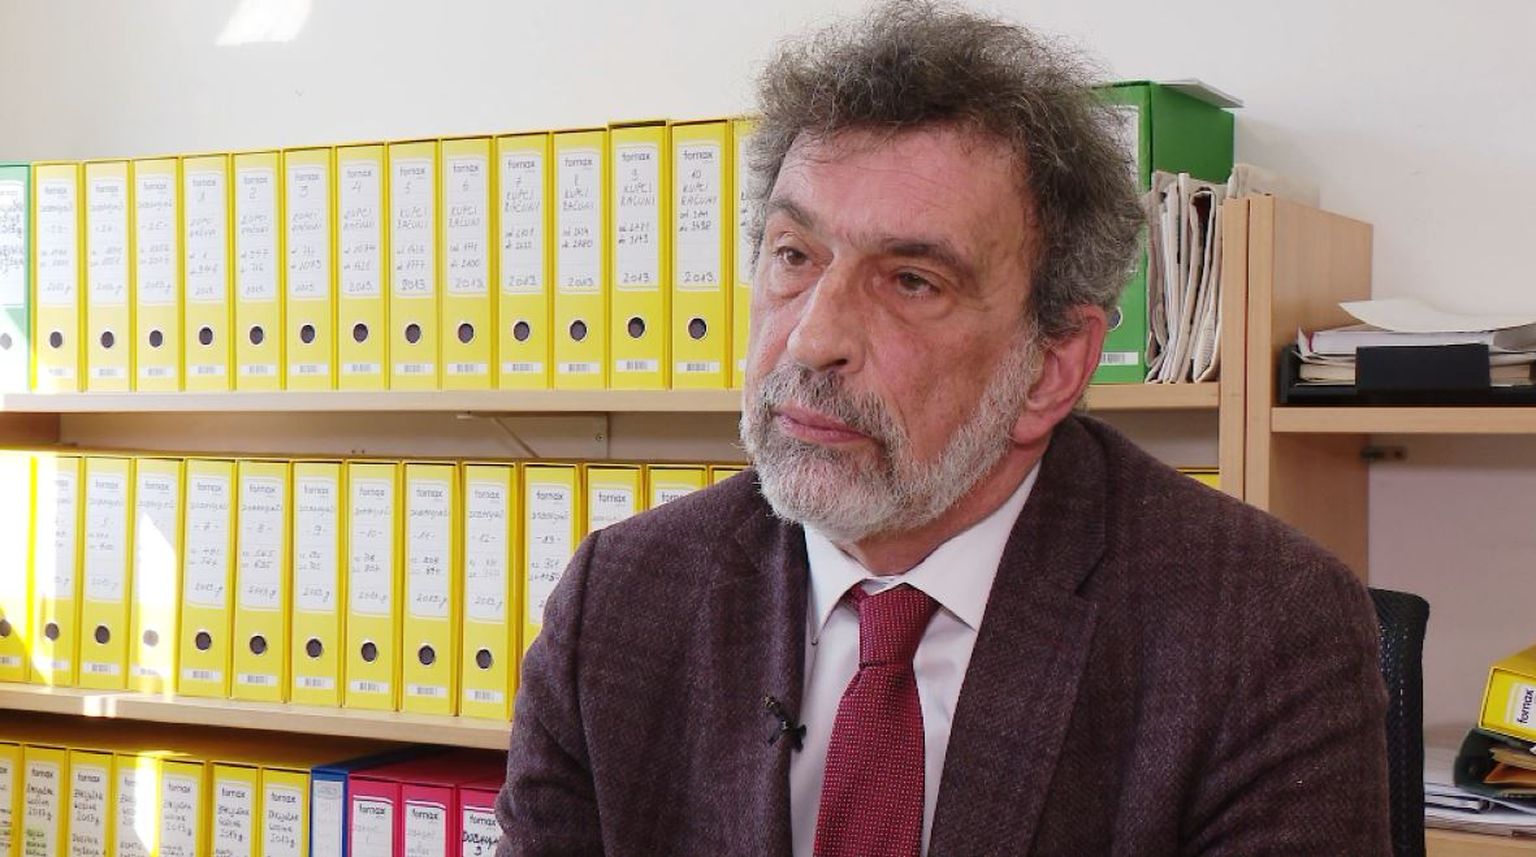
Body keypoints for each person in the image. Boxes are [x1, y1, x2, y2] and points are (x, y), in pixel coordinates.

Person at [496, 3, 1391, 855]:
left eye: (912, 281)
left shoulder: (1261, 629)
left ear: (1052, 366)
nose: (812, 338)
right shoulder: (620, 602)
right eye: (794, 255)